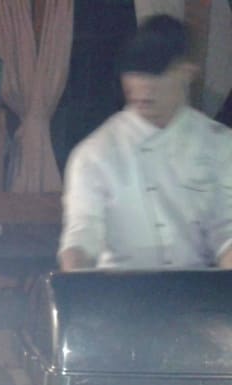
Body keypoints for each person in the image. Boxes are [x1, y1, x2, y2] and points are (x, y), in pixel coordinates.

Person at [58, 14, 232, 272]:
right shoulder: (94, 153)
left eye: (156, 74)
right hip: (119, 290)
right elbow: (82, 234)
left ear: (187, 71)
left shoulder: (219, 144)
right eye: (135, 74)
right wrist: (74, 276)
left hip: (197, 289)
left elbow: (227, 230)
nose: (143, 87)